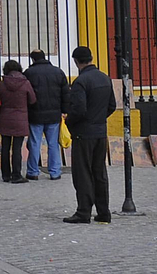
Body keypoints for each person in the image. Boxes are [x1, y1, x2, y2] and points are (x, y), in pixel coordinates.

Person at [63, 45, 115, 224]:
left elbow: (79, 109)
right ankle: (103, 211)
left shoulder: (81, 82)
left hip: (84, 133)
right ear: (91, 58)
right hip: (100, 132)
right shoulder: (105, 78)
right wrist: (98, 118)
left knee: (83, 173)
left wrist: (69, 122)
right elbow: (112, 106)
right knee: (99, 172)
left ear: (76, 61)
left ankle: (83, 211)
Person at [0, 59, 36, 183]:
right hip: (21, 119)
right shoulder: (25, 83)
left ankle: (5, 175)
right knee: (17, 148)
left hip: (5, 118)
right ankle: (16, 175)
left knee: (5, 148)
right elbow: (32, 100)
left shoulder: (1, 84)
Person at [23, 49, 68, 181]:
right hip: (54, 114)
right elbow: (65, 93)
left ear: (33, 59)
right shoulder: (58, 72)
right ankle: (55, 172)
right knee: (53, 144)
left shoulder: (29, 73)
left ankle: (33, 171)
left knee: (34, 143)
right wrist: (65, 110)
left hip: (35, 114)